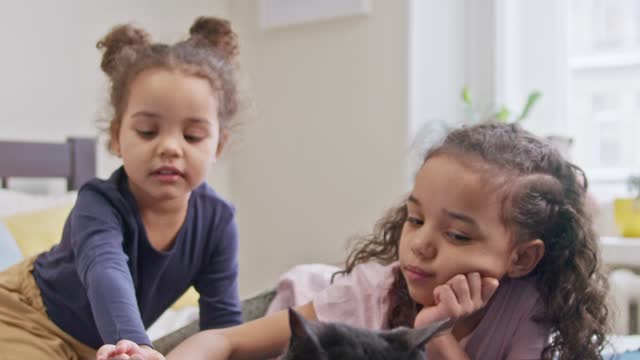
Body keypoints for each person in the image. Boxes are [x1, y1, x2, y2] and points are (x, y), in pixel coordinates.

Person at [100, 122, 610, 360]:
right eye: (414, 220)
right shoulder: (371, 292)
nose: (421, 246)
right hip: (302, 307)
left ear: (521, 257)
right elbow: (226, 339)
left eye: (456, 234)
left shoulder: (526, 310)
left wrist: (441, 338)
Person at [0, 16, 243, 359]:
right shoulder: (98, 203)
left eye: (192, 136)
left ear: (217, 147)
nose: (171, 148)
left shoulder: (217, 221)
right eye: (147, 131)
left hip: (107, 343)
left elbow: (223, 326)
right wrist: (135, 343)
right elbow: (105, 269)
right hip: (29, 316)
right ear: (116, 137)